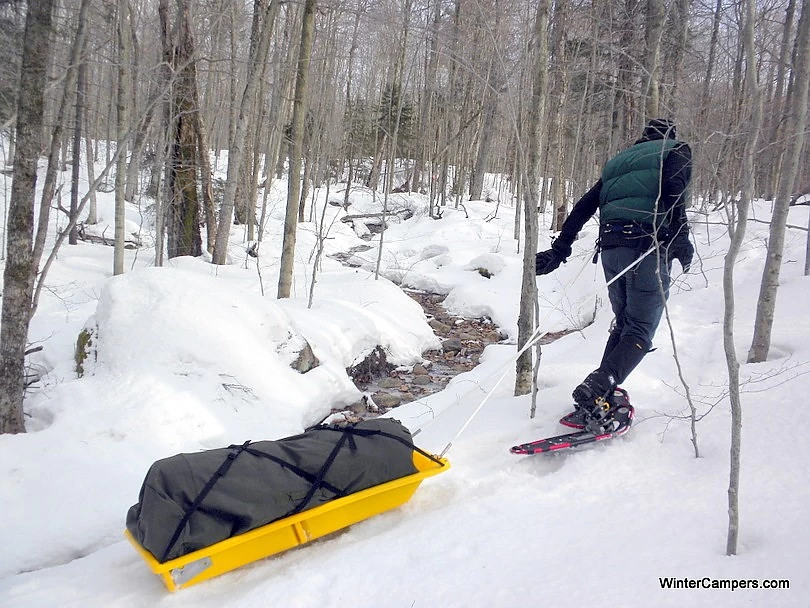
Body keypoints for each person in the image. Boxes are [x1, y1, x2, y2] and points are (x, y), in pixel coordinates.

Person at [535, 118, 694, 430]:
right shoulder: (676, 150)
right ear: (669, 136)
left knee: (624, 324)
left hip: (611, 247)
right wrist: (681, 238)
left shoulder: (617, 163)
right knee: (640, 329)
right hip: (646, 247)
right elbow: (675, 194)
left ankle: (599, 392)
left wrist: (560, 249)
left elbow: (583, 207)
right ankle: (598, 386)